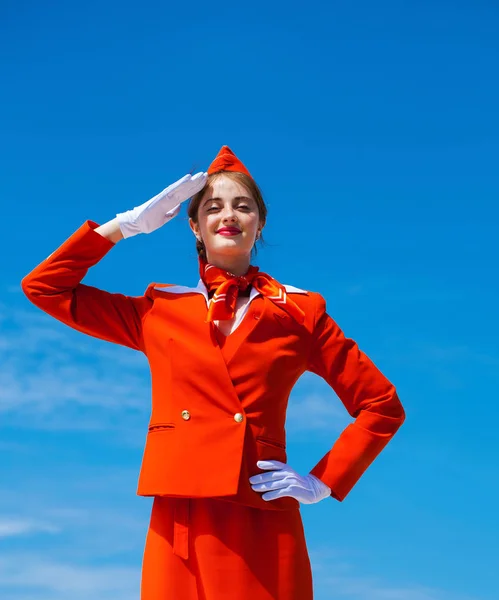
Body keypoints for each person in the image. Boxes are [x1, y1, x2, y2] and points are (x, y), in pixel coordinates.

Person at [21, 146, 405, 600]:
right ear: (194, 226)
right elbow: (45, 287)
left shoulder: (301, 312)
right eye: (213, 206)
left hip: (262, 508)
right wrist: (125, 226)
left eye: (243, 206)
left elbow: (381, 405)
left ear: (260, 223)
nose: (229, 215)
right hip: (179, 511)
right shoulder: (159, 309)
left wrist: (322, 482)